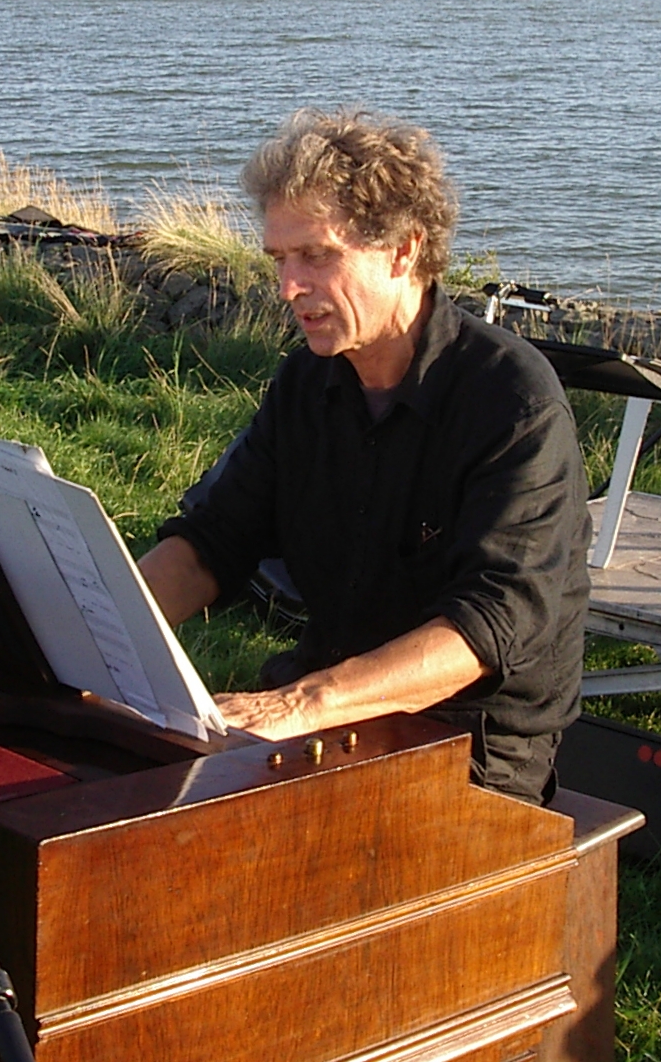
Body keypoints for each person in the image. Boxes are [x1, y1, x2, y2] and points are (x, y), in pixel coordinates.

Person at [137, 107, 590, 804]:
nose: (289, 288)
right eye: (279, 260)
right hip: (331, 708)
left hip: (470, 748)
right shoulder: (307, 384)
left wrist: (301, 704)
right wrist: (106, 635)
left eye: (316, 255)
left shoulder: (512, 403)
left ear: (404, 251)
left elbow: (486, 626)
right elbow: (210, 542)